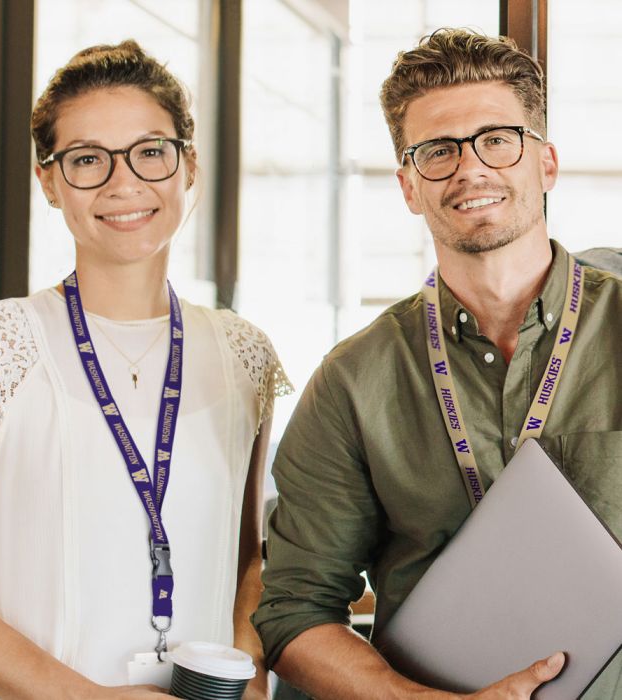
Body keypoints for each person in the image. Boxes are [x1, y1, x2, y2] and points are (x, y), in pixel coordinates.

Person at [253, 28, 622, 700]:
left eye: (498, 139)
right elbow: (294, 613)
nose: (470, 169)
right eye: (438, 151)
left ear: (546, 163)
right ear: (407, 185)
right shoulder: (351, 382)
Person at [0, 40, 291, 699]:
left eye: (151, 152)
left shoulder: (244, 352)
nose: (124, 184)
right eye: (88, 159)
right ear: (49, 180)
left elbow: (246, 560)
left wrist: (247, 670)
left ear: (187, 166)